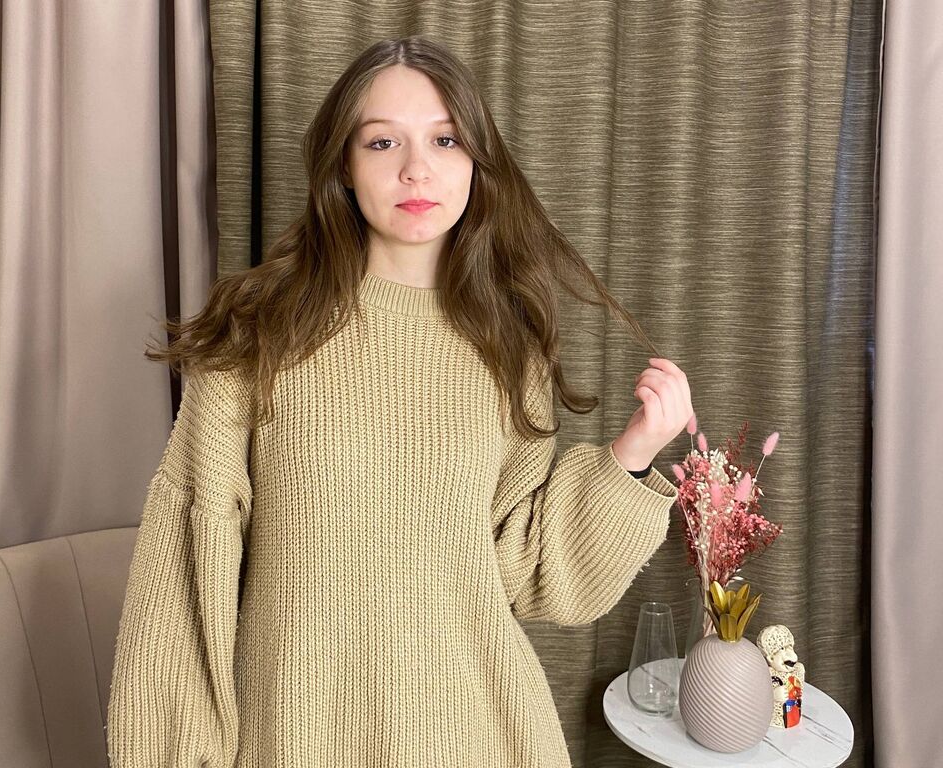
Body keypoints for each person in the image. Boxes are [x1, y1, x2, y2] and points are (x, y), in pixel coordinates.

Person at [106, 35, 694, 768]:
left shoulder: (507, 347)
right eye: (382, 142)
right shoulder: (260, 333)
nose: (417, 168)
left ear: (476, 163)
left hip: (472, 732)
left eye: (446, 140)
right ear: (343, 167)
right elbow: (188, 568)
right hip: (297, 735)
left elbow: (528, 573)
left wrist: (632, 455)